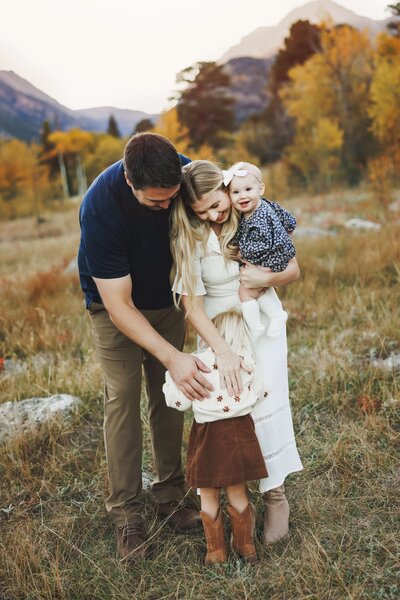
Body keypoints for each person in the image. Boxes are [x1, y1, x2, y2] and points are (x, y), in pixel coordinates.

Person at [78, 133, 211, 561]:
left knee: (170, 395)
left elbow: (227, 205)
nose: (166, 206)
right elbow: (118, 305)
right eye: (156, 202)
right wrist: (172, 356)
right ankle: (126, 515)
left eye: (171, 198)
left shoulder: (183, 175)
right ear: (130, 181)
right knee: (122, 397)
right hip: (116, 309)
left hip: (167, 300)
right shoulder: (100, 208)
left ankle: (171, 495)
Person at [170, 160, 303, 545]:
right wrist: (223, 352)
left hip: (260, 326)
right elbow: (192, 307)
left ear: (228, 187)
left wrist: (265, 278)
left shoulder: (249, 213)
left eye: (217, 203)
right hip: (218, 335)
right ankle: (228, 498)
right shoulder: (188, 237)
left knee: (266, 405)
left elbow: (292, 268)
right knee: (224, 412)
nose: (214, 214)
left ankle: (276, 495)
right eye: (203, 211)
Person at [163, 309, 267, 564]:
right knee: (238, 491)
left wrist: (170, 380)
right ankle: (246, 547)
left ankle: (216, 553)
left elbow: (176, 401)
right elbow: (261, 392)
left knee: (208, 494)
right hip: (239, 437)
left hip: (208, 439)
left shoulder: (198, 363)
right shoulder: (245, 362)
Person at [223, 161, 297, 338]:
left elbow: (261, 244)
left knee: (246, 291)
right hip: (276, 255)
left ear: (261, 189)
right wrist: (287, 230)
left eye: (248, 189)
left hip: (271, 257)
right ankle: (276, 315)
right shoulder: (264, 205)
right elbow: (288, 219)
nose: (242, 196)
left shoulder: (259, 217)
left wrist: (242, 253)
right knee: (259, 289)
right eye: (236, 192)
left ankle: (255, 326)